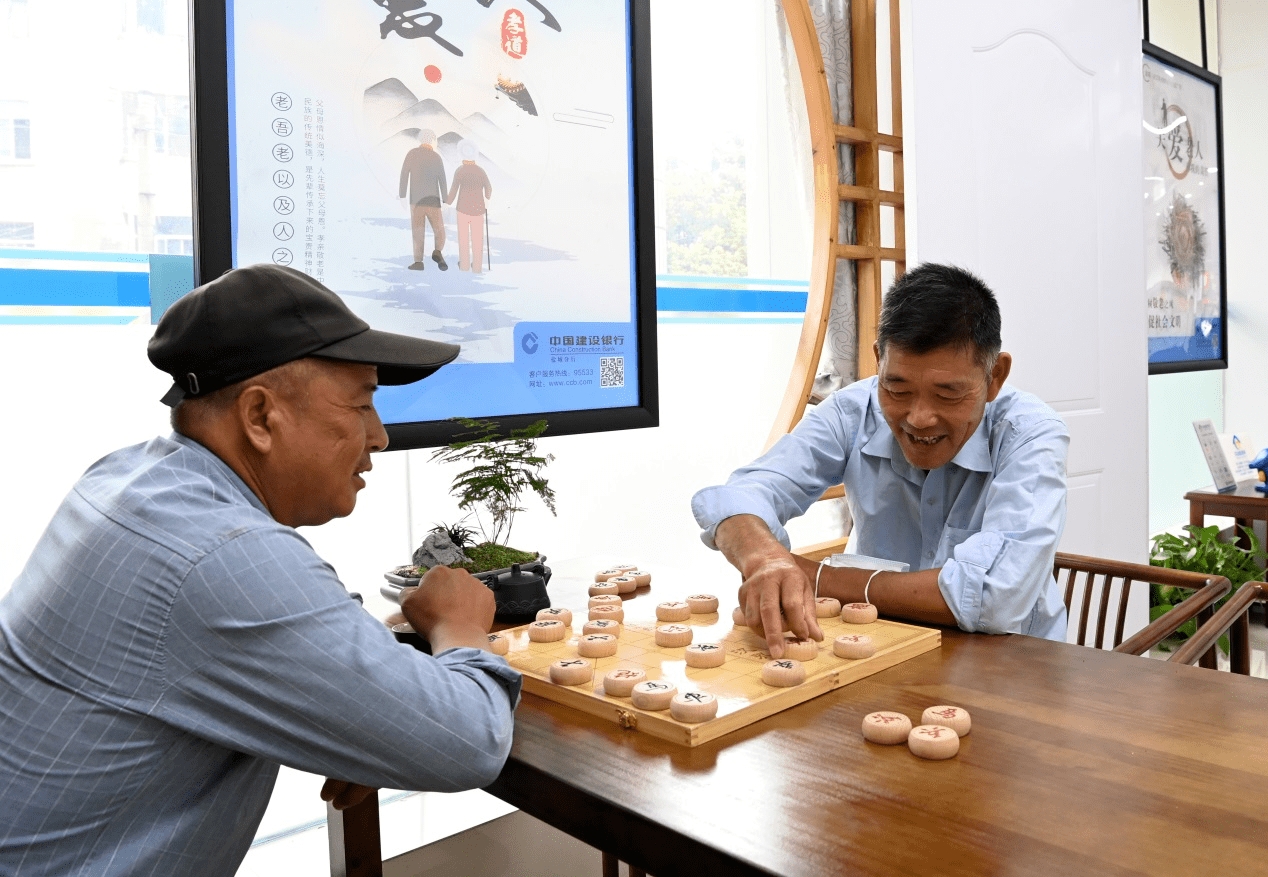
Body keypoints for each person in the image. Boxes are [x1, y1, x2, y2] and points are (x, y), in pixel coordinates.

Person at [0, 265, 519, 876]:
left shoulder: (130, 478)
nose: (379, 436)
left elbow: (253, 625)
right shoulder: (222, 552)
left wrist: (370, 708)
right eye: (361, 404)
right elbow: (468, 743)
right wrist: (460, 626)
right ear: (259, 416)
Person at [692, 264, 1069, 657]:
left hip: (1013, 664)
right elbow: (737, 496)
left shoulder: (1030, 433)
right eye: (896, 389)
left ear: (995, 376)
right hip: (879, 649)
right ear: (879, 360)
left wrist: (814, 576)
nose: (919, 418)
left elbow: (994, 598)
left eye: (948, 395)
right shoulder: (852, 411)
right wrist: (766, 559)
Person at [399, 128, 449, 271]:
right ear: (432, 140)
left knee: (418, 232)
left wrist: (402, 195)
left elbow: (404, 175)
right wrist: (445, 199)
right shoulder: (436, 157)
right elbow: (442, 179)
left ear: (420, 139)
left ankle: (418, 262)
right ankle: (437, 251)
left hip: (416, 200)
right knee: (439, 230)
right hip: (433, 200)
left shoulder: (411, 154)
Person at [446, 138, 493, 274]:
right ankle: (477, 267)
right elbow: (489, 188)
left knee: (463, 239)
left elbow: (453, 190)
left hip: (463, 210)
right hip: (478, 210)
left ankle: (464, 265)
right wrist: (486, 201)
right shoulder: (480, 171)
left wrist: (447, 203)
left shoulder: (460, 171)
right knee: (477, 239)